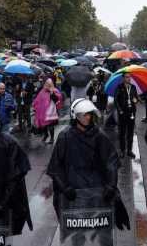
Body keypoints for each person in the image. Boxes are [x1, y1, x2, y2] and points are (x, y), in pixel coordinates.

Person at [47, 98, 129, 229]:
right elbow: (56, 167)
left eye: (89, 114)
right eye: (83, 115)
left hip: (96, 191)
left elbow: (111, 162)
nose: (87, 117)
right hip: (74, 192)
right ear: (75, 116)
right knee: (76, 233)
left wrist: (111, 186)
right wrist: (65, 187)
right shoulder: (65, 136)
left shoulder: (99, 135)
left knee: (98, 230)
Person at [114, 73, 139, 158]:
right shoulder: (119, 87)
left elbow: (136, 97)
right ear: (123, 78)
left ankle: (129, 150)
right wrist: (120, 110)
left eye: (129, 77)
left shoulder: (133, 87)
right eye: (127, 77)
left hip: (131, 112)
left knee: (130, 132)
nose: (129, 79)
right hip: (122, 113)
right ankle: (122, 150)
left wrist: (136, 100)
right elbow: (116, 100)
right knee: (122, 133)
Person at [32, 78, 63, 144]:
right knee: (43, 125)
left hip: (51, 111)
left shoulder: (54, 91)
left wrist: (52, 93)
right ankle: (46, 135)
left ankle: (52, 138)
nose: (48, 85)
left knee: (51, 125)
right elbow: (38, 99)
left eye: (49, 84)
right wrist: (35, 106)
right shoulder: (42, 91)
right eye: (47, 83)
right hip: (42, 111)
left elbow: (57, 99)